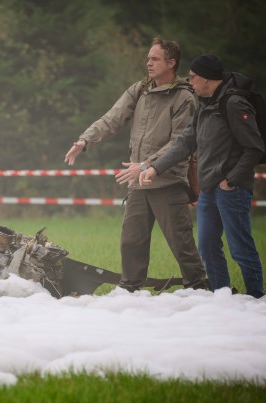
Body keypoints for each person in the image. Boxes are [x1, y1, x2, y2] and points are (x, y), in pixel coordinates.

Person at [64, 37, 207, 292]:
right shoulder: (140, 89)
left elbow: (180, 143)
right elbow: (113, 118)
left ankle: (199, 291)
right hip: (138, 183)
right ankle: (129, 291)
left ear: (171, 63)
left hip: (168, 181)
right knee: (131, 242)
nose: (148, 63)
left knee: (182, 245)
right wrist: (84, 140)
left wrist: (147, 164)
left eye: (155, 59)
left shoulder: (184, 97)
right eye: (148, 58)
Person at [139, 55, 265, 298]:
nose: (190, 81)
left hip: (231, 189)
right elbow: (185, 142)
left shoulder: (234, 104)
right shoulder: (205, 104)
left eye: (193, 77)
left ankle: (257, 298)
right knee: (207, 247)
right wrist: (154, 167)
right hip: (208, 190)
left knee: (240, 248)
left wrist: (231, 181)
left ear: (208, 79)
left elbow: (255, 147)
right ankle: (220, 298)